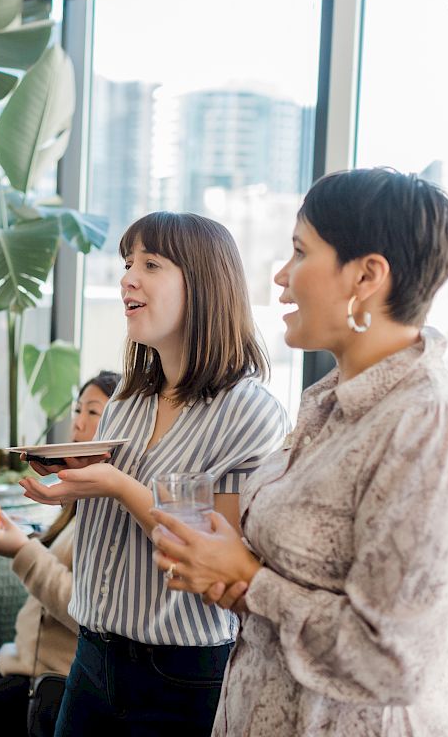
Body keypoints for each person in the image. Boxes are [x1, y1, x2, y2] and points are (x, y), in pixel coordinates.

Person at [152, 168, 448, 736]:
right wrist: (226, 574)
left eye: (299, 252)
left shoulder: (432, 426)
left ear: (366, 276)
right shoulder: (325, 403)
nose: (281, 277)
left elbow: (393, 661)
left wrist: (247, 578)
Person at [18, 212, 289, 736]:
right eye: (126, 263)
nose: (127, 278)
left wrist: (116, 484)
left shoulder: (250, 412)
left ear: (205, 285)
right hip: (93, 656)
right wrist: (79, 476)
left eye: (150, 263)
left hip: (182, 676)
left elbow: (213, 557)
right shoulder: (127, 400)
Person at [0, 370, 121, 737]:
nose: (78, 422)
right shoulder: (78, 499)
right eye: (79, 410)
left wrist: (23, 550)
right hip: (27, 653)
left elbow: (86, 613)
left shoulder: (111, 507)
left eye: (93, 413)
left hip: (55, 674)